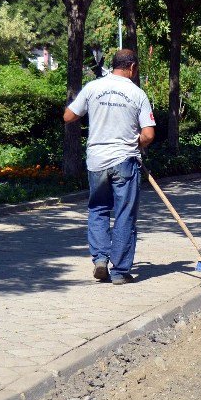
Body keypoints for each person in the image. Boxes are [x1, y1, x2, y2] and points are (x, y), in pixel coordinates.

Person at [63, 49, 155, 285]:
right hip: (125, 160)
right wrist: (137, 141)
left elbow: (68, 116)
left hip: (96, 161)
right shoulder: (137, 94)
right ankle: (120, 271)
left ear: (113, 65)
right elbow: (148, 134)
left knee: (98, 209)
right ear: (133, 68)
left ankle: (100, 259)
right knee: (125, 214)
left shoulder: (93, 88)